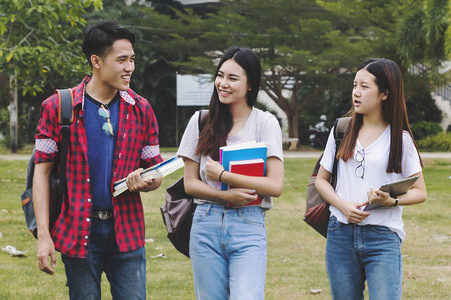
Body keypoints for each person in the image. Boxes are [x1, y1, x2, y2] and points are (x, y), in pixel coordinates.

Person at [33, 20, 163, 299]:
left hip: (127, 231)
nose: (130, 67)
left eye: (132, 59)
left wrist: (147, 180)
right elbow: (41, 174)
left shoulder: (142, 109)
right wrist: (44, 236)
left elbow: (156, 171)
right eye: (122, 60)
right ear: (96, 61)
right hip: (77, 229)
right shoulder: (58, 107)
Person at [177, 47, 284, 299]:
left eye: (233, 78)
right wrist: (226, 196)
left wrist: (225, 177)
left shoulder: (265, 123)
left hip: (248, 223)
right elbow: (190, 184)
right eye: (220, 75)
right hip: (205, 223)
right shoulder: (201, 121)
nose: (223, 84)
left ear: (250, 85)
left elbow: (275, 186)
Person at [315, 58, 427, 300]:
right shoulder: (341, 131)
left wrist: (391, 201)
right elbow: (321, 181)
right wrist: (342, 205)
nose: (356, 92)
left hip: (383, 237)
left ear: (384, 94)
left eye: (364, 87)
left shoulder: (400, 139)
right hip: (340, 234)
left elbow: (420, 192)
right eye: (355, 85)